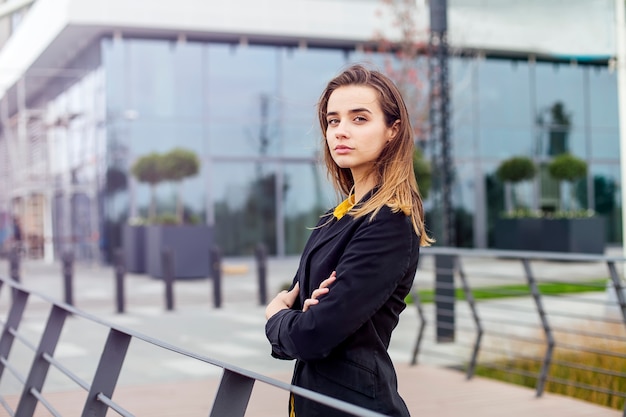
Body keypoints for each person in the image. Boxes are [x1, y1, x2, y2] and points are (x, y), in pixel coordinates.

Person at [265, 64, 432, 416]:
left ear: (392, 130)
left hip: (354, 406)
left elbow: (313, 333)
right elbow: (305, 312)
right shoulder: (335, 217)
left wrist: (276, 316)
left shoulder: (390, 221)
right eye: (333, 120)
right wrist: (302, 316)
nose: (341, 131)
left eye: (359, 119)